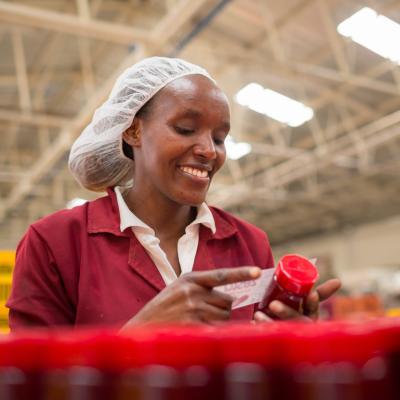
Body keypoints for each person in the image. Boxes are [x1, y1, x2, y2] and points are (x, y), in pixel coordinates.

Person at [7, 57, 340, 330]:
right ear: (134, 130)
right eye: (185, 129)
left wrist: (290, 344)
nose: (210, 151)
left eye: (221, 138)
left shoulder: (249, 245)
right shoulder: (55, 244)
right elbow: (29, 384)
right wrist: (136, 339)